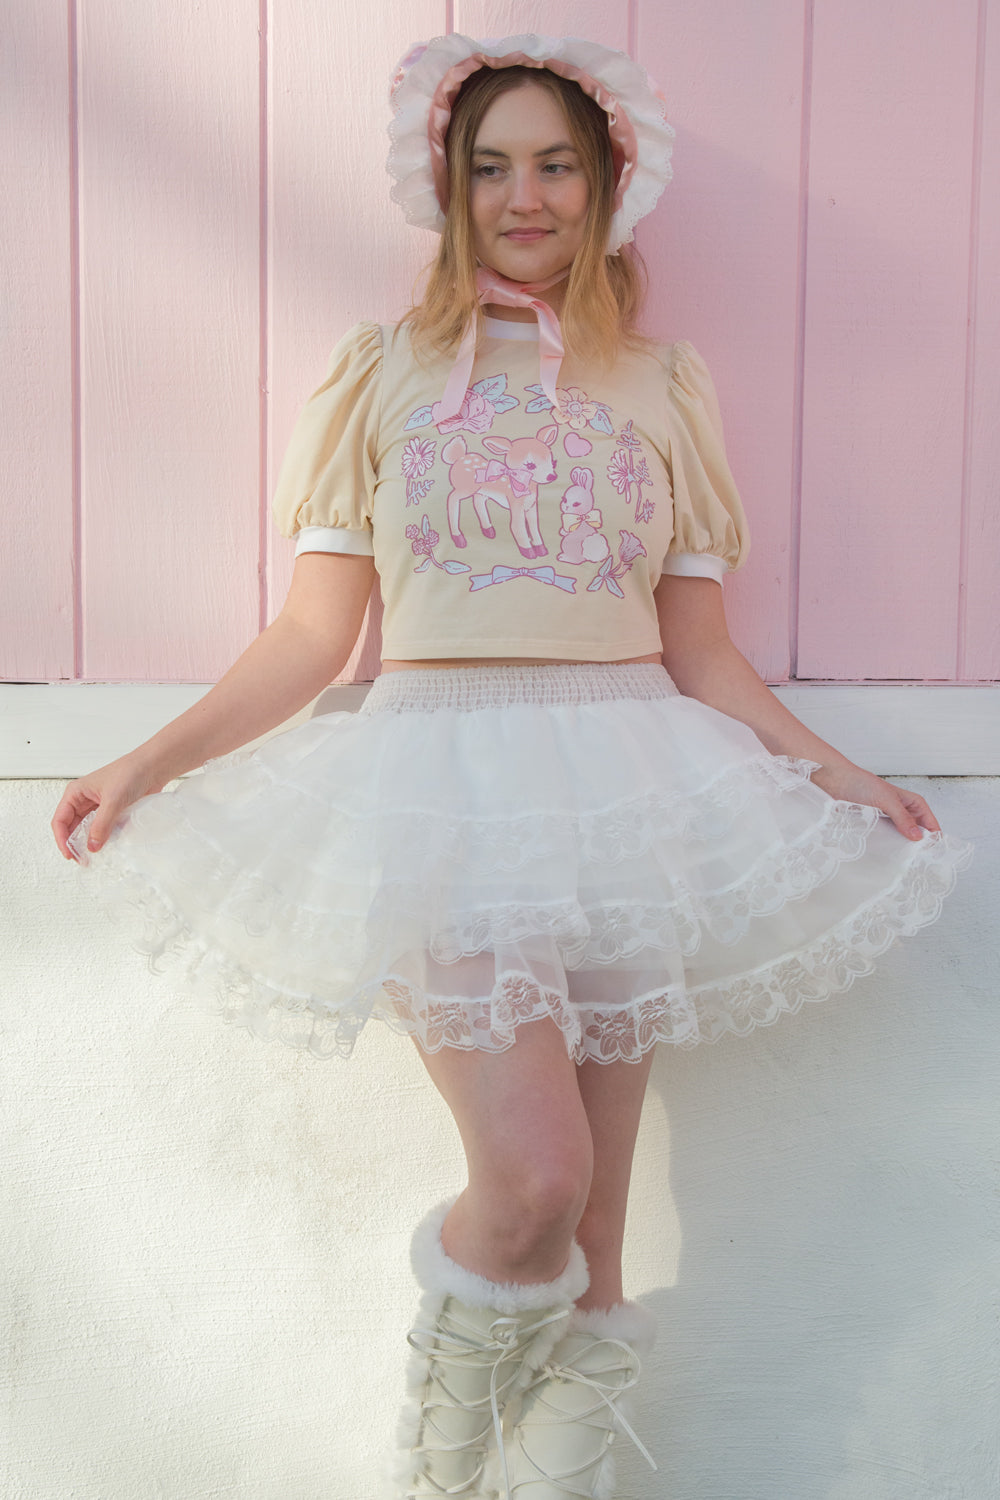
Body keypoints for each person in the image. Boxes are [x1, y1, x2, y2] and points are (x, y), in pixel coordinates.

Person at [51, 34, 972, 1500]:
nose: (523, 197)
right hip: (444, 792)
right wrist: (145, 762)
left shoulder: (661, 384)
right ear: (447, 186)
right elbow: (314, 635)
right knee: (536, 1179)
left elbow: (703, 652)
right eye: (491, 167)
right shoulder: (384, 373)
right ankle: (436, 1467)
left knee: (596, 1235)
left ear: (605, 185)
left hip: (626, 786)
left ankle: (552, 1481)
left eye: (554, 165)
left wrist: (836, 775)